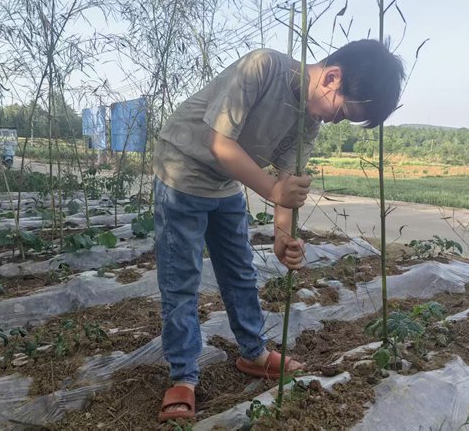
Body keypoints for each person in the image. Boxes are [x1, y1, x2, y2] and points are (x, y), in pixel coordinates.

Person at [152, 39, 404, 422]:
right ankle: (183, 376)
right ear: (332, 78)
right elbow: (220, 143)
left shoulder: (309, 122)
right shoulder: (263, 68)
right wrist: (272, 191)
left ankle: (253, 353)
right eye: (342, 113)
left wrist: (283, 237)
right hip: (182, 169)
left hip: (224, 183)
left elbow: (287, 184)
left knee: (240, 271)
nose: (335, 121)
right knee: (181, 278)